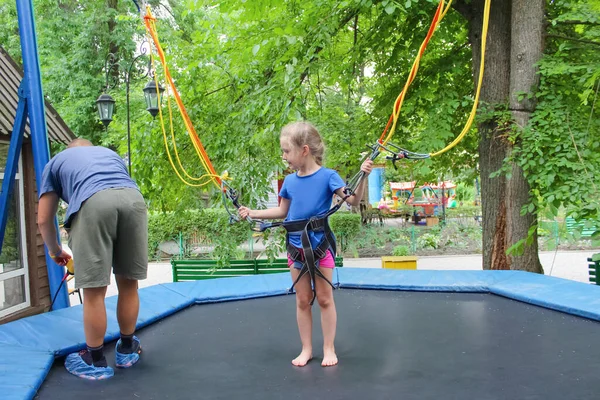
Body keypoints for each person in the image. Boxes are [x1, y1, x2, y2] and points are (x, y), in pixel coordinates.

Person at [239, 122, 372, 367]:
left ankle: (329, 348)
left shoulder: (328, 176)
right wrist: (253, 212)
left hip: (320, 246)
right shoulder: (289, 181)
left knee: (324, 298)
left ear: (304, 150)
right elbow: (282, 211)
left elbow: (352, 200)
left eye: (286, 151)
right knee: (302, 299)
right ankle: (306, 349)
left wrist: (363, 176)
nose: (283, 157)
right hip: (296, 247)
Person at [37, 138, 147, 380]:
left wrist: (56, 251)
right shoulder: (109, 154)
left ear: (70, 151)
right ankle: (127, 349)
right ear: (90, 148)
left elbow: (44, 219)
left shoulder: (57, 162)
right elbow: (117, 189)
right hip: (134, 200)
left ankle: (95, 360)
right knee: (129, 283)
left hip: (94, 202)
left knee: (94, 290)